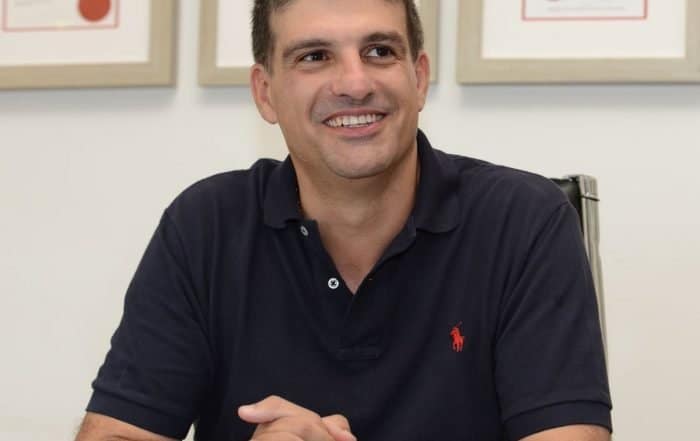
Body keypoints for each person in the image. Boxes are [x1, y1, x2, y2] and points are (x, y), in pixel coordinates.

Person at [75, 0, 612, 440]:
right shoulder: (205, 226)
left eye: (379, 51)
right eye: (314, 57)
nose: (355, 83)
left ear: (419, 78)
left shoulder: (524, 221)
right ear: (265, 93)